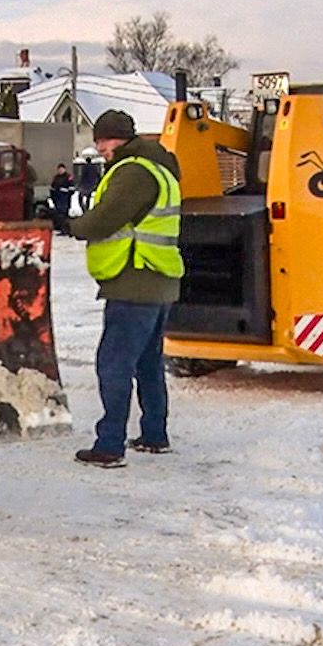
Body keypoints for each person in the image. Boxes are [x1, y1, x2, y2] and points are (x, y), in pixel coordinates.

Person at [70, 109, 184, 467]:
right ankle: (154, 434)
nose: (99, 148)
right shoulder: (159, 166)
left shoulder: (133, 172)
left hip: (134, 281)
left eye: (103, 141)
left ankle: (109, 445)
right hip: (156, 279)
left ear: (119, 139)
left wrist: (71, 224)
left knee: (114, 363)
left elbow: (104, 219)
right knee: (148, 362)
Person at [49, 163, 76, 235]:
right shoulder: (56, 178)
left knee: (64, 215)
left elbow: (72, 188)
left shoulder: (68, 177)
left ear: (64, 169)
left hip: (65, 199)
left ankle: (66, 230)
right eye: (59, 169)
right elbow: (52, 187)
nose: (60, 171)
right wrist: (53, 195)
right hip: (57, 198)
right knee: (59, 215)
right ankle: (61, 228)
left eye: (61, 169)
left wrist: (65, 191)